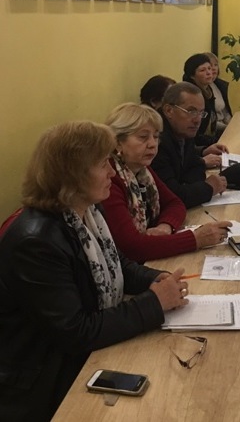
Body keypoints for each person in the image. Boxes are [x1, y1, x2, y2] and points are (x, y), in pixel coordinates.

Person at [0, 121, 191, 422]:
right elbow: (77, 332)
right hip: (43, 383)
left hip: (76, 357)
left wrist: (156, 279)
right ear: (73, 173)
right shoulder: (35, 243)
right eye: (103, 164)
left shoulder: (86, 211)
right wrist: (154, 302)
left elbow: (118, 263)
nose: (112, 173)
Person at [102, 103, 231, 263]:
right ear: (118, 142)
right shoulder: (110, 179)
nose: (152, 144)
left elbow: (175, 203)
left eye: (156, 137)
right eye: (143, 137)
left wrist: (165, 226)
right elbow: (132, 247)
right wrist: (196, 239)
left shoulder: (142, 171)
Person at [152, 82, 240, 208]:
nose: (197, 120)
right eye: (191, 111)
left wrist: (193, 187)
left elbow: (195, 167)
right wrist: (208, 187)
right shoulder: (155, 141)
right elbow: (172, 197)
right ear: (169, 110)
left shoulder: (182, 130)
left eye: (201, 113)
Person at [182, 53, 219, 145]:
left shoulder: (208, 90)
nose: (209, 73)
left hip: (209, 139)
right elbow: (195, 134)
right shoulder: (192, 95)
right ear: (192, 76)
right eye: (202, 70)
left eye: (209, 68)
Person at [205, 51, 233, 134]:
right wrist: (227, 129)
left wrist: (233, 125)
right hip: (215, 131)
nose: (214, 68)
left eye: (216, 65)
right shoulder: (203, 89)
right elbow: (209, 122)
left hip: (225, 128)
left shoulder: (218, 85)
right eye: (210, 66)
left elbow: (225, 113)